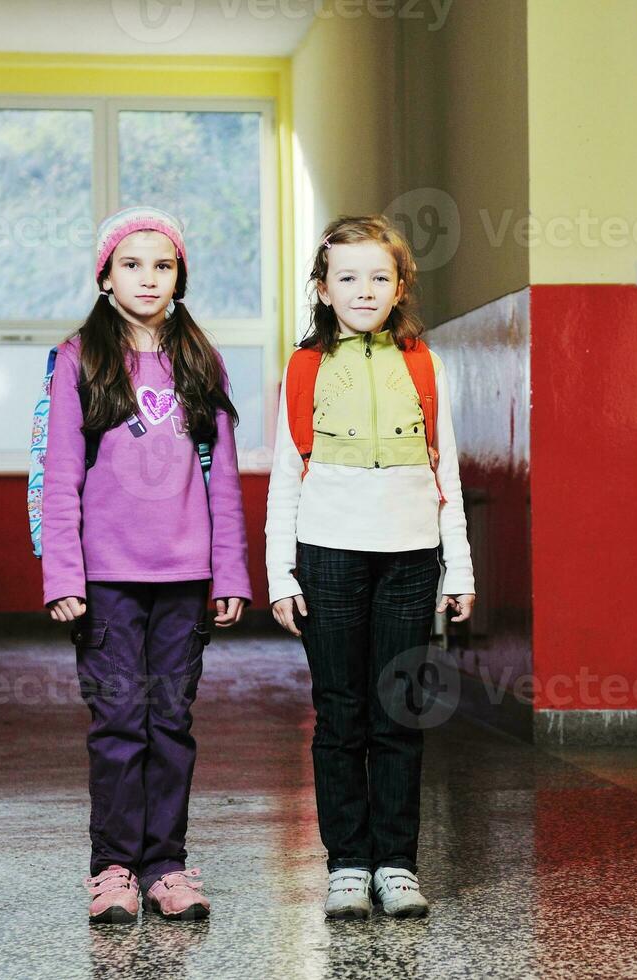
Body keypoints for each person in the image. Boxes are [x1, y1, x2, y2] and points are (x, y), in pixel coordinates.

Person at [41, 205, 250, 924]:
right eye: (131, 263)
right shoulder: (79, 358)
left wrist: (230, 572)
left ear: (179, 276)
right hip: (106, 583)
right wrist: (63, 575)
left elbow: (221, 474)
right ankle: (114, 869)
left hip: (185, 580)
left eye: (162, 264)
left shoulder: (200, 360)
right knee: (118, 722)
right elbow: (57, 472)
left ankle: (166, 866)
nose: (147, 277)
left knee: (170, 722)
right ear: (104, 276)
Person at [265, 215, 476, 919]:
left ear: (399, 287)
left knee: (397, 711)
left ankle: (396, 863)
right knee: (339, 713)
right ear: (322, 289)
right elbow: (284, 477)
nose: (363, 289)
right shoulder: (303, 367)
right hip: (327, 557)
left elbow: (444, 468)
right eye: (346, 278)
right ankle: (347, 865)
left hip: (411, 558)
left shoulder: (423, 363)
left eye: (378, 277)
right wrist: (280, 574)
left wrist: (458, 570)